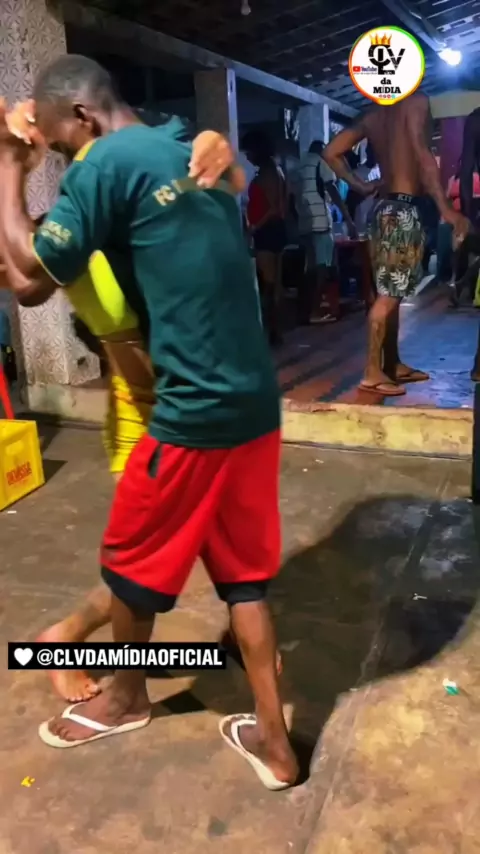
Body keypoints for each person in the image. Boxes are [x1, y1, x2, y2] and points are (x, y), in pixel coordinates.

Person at [0, 56, 297, 789]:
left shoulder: (102, 167)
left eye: (61, 140)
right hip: (252, 404)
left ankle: (124, 696)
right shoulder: (180, 143)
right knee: (243, 580)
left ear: (84, 117)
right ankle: (277, 743)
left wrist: (8, 166)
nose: (60, 155)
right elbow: (221, 174)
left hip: (184, 409)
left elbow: (26, 277)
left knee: (132, 566)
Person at [323, 93, 469, 396]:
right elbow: (421, 152)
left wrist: (361, 186)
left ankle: (391, 363)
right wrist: (446, 209)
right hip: (403, 209)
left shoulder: (373, 113)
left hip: (383, 208)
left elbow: (331, 152)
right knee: (389, 295)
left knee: (391, 291)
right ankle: (372, 372)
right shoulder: (415, 102)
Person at [294, 140, 357, 324]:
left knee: (310, 268)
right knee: (323, 267)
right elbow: (332, 189)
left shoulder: (299, 166)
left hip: (304, 222)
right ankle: (315, 311)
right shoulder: (321, 163)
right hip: (320, 221)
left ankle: (305, 311)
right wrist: (348, 219)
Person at [242, 130, 287, 346]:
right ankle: (275, 331)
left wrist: (254, 228)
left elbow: (274, 208)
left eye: (248, 152)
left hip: (267, 231)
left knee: (268, 285)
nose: (247, 156)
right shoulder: (276, 171)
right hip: (276, 230)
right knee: (275, 284)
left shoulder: (268, 174)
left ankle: (272, 332)